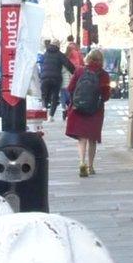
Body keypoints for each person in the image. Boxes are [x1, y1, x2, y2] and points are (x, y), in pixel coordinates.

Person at [66, 48, 111, 177]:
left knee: (82, 138)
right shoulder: (103, 75)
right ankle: (91, 166)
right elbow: (106, 96)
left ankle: (81, 163)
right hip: (95, 111)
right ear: (101, 60)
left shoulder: (80, 71)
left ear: (88, 58)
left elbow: (70, 88)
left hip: (79, 109)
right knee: (92, 139)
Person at [40, 39, 75, 121]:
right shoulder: (59, 54)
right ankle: (51, 116)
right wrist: (74, 72)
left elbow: (41, 64)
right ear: (58, 46)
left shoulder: (45, 54)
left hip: (44, 77)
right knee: (55, 97)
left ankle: (44, 107)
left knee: (44, 94)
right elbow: (68, 64)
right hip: (56, 78)